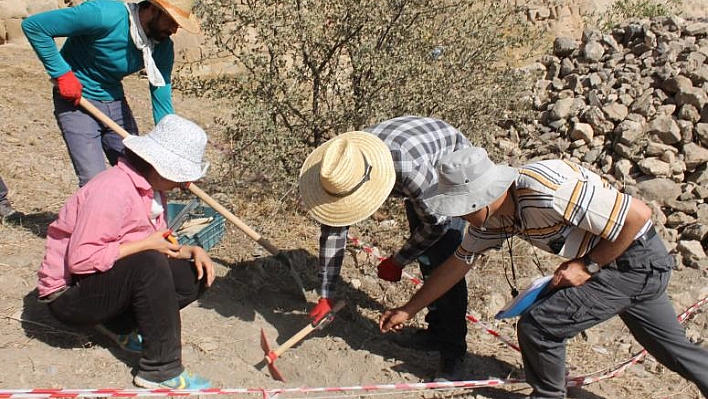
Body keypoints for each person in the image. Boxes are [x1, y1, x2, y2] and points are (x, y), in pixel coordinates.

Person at [379, 147, 708, 398]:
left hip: (633, 262)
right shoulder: (494, 218)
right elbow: (457, 264)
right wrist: (410, 308)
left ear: (482, 197)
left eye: (462, 208)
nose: (460, 217)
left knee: (539, 326)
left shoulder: (548, 192)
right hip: (628, 266)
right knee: (673, 349)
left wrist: (587, 265)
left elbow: (638, 215)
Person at [37, 114, 216, 389]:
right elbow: (81, 260)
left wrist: (190, 250)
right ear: (159, 167)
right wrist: (147, 246)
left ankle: (118, 325)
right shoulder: (113, 189)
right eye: (181, 177)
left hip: (101, 283)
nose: (184, 185)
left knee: (193, 273)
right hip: (69, 296)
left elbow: (156, 242)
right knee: (149, 263)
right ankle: (161, 370)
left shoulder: (152, 190)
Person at [298, 116, 471, 381]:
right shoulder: (339, 165)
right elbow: (334, 229)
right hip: (419, 166)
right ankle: (436, 331)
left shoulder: (408, 169)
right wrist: (325, 294)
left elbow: (437, 224)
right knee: (425, 251)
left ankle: (453, 354)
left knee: (443, 260)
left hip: (451, 168)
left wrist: (400, 259)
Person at [22, 0, 200, 187]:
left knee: (140, 173)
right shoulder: (103, 15)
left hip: (115, 102)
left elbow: (162, 104)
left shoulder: (161, 48)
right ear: (152, 9)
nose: (174, 30)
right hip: (77, 101)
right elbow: (35, 26)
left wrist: (174, 160)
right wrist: (62, 74)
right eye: (171, 21)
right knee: (94, 181)